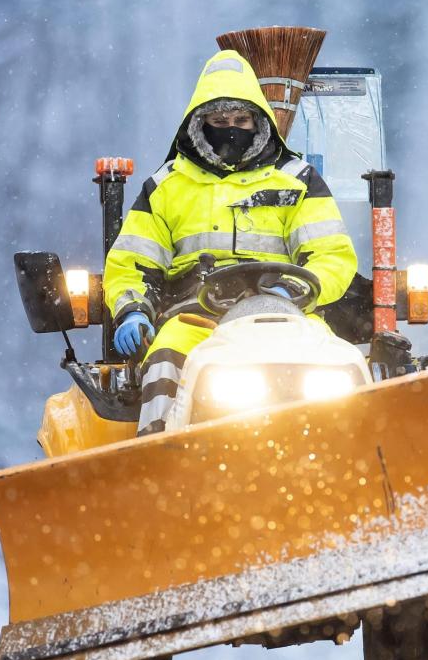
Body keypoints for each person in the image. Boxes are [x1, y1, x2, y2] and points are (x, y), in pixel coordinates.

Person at [103, 49, 357, 435]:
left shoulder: (297, 180)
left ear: (260, 122)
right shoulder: (166, 186)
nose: (231, 129)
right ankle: (155, 452)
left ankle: (362, 452)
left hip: (289, 317)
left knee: (344, 362)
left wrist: (292, 289)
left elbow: (332, 255)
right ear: (199, 123)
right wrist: (133, 310)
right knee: (166, 357)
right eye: (219, 120)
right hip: (195, 317)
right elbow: (131, 264)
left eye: (241, 119)